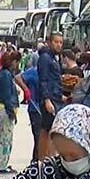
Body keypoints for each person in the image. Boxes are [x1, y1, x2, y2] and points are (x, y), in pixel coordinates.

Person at [0, 50, 22, 174]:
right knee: (6, 139)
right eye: (17, 62)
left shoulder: (3, 73)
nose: (17, 64)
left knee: (2, 137)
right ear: (13, 61)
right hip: (5, 109)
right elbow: (7, 96)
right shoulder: (6, 75)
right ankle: (2, 165)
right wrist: (12, 112)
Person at [35, 32, 65, 160]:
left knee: (51, 129)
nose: (59, 45)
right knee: (47, 130)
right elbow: (44, 80)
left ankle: (47, 159)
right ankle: (43, 160)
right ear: (49, 42)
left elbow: (53, 79)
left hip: (55, 97)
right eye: (56, 42)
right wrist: (47, 100)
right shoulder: (45, 58)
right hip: (49, 100)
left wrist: (60, 95)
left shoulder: (54, 58)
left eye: (61, 42)